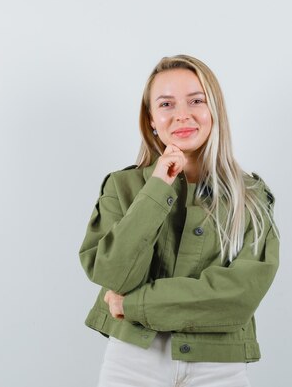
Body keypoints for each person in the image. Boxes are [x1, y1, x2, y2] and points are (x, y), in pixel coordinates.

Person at [79, 54, 280, 387]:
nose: (182, 115)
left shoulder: (252, 195)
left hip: (220, 366)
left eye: (196, 100)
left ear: (215, 111)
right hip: (132, 360)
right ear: (152, 120)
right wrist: (158, 187)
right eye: (167, 104)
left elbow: (240, 296)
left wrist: (132, 305)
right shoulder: (122, 186)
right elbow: (112, 273)